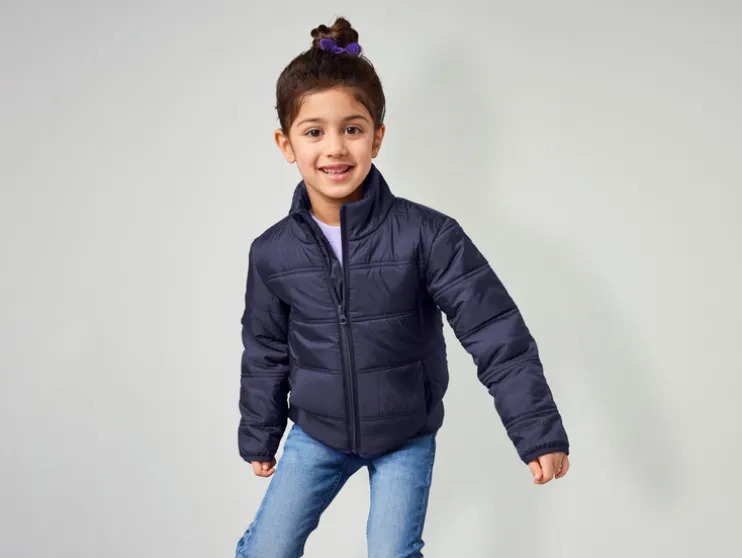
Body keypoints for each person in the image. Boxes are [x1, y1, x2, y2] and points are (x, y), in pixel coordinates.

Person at [235, 16, 570, 558]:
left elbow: (495, 332)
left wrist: (537, 432)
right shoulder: (272, 252)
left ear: (377, 136)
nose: (334, 148)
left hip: (404, 434)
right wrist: (260, 431)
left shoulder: (427, 235)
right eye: (314, 131)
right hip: (318, 431)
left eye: (352, 129)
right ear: (286, 143)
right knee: (266, 551)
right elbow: (265, 349)